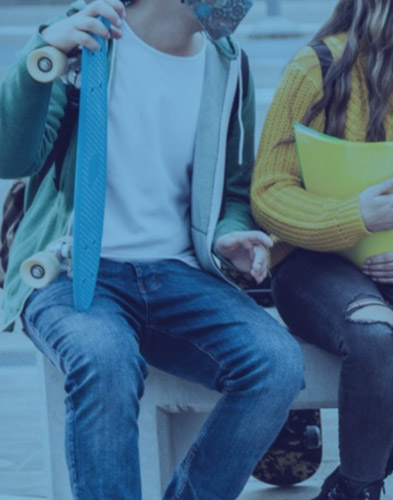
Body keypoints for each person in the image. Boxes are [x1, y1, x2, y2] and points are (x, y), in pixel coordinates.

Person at [0, 0, 305, 499]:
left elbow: (232, 189)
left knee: (277, 364)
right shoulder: (90, 36)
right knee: (105, 357)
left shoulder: (228, 64)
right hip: (72, 271)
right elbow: (11, 156)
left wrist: (228, 234)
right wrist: (45, 50)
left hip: (177, 275)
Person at [250, 0, 393, 498]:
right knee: (376, 335)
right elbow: (269, 190)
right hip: (313, 262)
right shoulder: (316, 66)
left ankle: (357, 484)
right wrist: (351, 217)